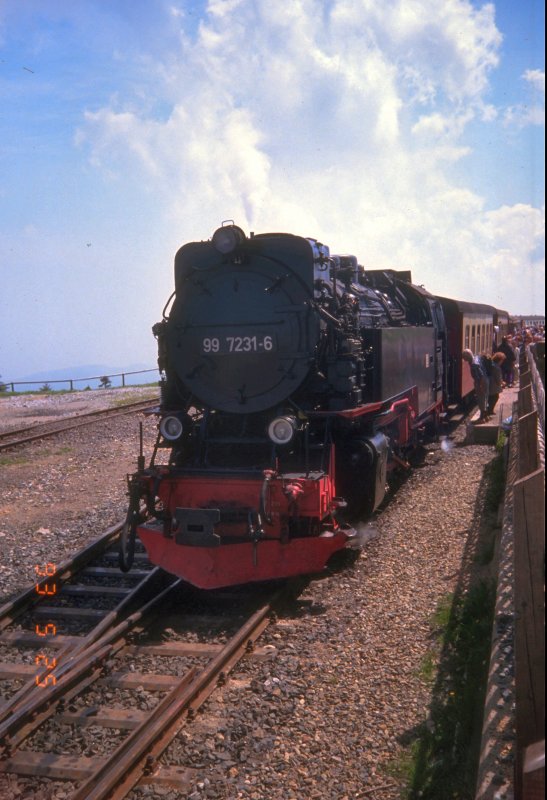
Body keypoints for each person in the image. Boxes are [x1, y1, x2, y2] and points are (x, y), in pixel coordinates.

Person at [462, 349, 490, 422]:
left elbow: (480, 375)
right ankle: (486, 416)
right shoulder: (476, 357)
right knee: (485, 398)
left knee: (481, 399)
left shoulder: (474, 364)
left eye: (464, 357)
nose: (464, 359)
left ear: (467, 356)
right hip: (486, 380)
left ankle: (482, 418)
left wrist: (480, 385)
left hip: (480, 382)